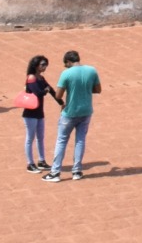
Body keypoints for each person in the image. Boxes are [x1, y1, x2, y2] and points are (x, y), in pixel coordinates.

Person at [43, 51, 101, 182]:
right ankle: (77, 171)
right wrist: (85, 90)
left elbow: (58, 95)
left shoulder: (66, 74)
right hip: (86, 111)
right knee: (80, 140)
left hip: (70, 112)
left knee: (61, 140)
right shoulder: (92, 70)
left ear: (68, 61)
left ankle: (55, 172)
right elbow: (98, 89)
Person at [21, 55, 57, 174]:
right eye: (42, 65)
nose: (45, 67)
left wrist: (61, 102)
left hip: (39, 112)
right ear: (36, 65)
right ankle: (30, 163)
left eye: (46, 64)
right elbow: (38, 93)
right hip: (30, 113)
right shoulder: (31, 78)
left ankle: (41, 161)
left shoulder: (41, 78)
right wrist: (46, 91)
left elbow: (51, 89)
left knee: (40, 138)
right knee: (30, 138)